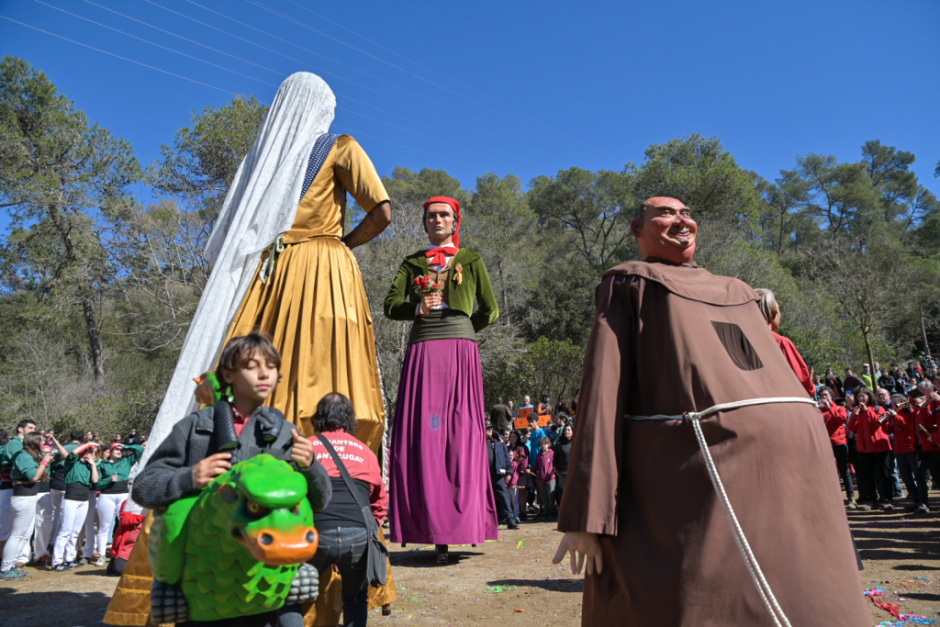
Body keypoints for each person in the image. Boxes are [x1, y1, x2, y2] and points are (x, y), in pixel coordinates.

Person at [107, 72, 397, 625]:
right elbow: (382, 211)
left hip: (269, 277)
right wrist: (340, 243)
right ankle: (322, 570)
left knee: (259, 382)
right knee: (328, 385)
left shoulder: (262, 162)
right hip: (325, 276)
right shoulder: (338, 146)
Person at [553, 196, 869, 625]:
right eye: (666, 213)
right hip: (778, 447)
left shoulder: (732, 291)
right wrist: (586, 516)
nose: (681, 220)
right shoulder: (635, 283)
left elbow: (602, 393)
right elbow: (605, 391)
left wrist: (586, 520)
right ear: (636, 229)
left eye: (686, 214)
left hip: (720, 458)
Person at [133, 333, 331, 627]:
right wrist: (189, 477)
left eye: (272, 367)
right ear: (228, 374)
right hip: (206, 585)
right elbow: (143, 488)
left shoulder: (284, 434)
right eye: (252, 366)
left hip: (264, 586)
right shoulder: (196, 428)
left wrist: (310, 466)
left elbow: (321, 500)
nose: (265, 374)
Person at [384, 195, 499, 563]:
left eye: (443, 215)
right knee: (425, 432)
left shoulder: (471, 260)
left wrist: (463, 328)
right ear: (425, 222)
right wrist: (416, 308)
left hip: (460, 349)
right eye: (431, 216)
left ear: (455, 221)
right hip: (423, 347)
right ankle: (429, 525)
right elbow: (390, 305)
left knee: (461, 432)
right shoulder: (412, 262)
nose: (437, 220)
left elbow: (490, 310)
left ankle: (463, 523)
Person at [307, 393, 388, 627]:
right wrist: (359, 535)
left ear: (319, 417)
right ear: (349, 419)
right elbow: (379, 502)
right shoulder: (365, 452)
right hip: (358, 535)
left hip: (316, 533)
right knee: (355, 598)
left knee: (292, 596)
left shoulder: (306, 448)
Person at [0, 433, 63, 579]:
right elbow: (33, 476)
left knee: (25, 535)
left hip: (28, 498)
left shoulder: (30, 456)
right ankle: (5, 568)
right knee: (17, 535)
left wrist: (45, 461)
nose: (43, 443)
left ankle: (12, 565)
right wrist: (44, 463)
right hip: (23, 499)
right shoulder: (24, 456)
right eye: (41, 441)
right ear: (34, 442)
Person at [754, 288, 814, 397]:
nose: (780, 315)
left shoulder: (739, 341)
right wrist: (812, 391)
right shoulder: (781, 343)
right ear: (771, 312)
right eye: (778, 309)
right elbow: (802, 380)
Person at [93, 442, 145, 566]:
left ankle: (121, 553)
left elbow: (140, 450)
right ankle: (102, 555)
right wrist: (109, 480)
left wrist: (126, 447)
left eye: (120, 450)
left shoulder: (126, 461)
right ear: (110, 451)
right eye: (116, 449)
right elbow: (97, 484)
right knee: (104, 526)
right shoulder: (103, 464)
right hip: (106, 496)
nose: (119, 451)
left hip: (123, 495)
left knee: (124, 525)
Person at [51, 440, 100, 571]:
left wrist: (93, 465)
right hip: (71, 498)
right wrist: (87, 444)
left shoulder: (89, 466)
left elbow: (95, 480)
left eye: (93, 452)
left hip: (84, 499)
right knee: (65, 530)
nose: (92, 454)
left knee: (75, 531)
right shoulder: (73, 462)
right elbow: (72, 454)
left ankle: (69, 558)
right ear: (84, 451)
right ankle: (57, 561)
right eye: (90, 452)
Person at [846, 387, 893, 510]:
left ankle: (887, 499)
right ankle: (873, 500)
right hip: (864, 448)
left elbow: (878, 422)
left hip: (879, 446)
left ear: (869, 396)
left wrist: (867, 411)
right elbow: (851, 427)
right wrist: (854, 415)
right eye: (859, 396)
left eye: (863, 396)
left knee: (884, 474)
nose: (861, 398)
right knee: (868, 475)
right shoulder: (857, 411)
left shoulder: (878, 408)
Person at [0, 420, 36, 560]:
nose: (33, 430)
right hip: (9, 488)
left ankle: (16, 559)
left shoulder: (25, 444)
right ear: (20, 429)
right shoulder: (15, 444)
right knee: (6, 527)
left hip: (19, 489)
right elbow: (22, 465)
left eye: (34, 428)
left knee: (20, 529)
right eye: (30, 428)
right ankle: (4, 561)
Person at [818, 387, 855, 508]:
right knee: (827, 471)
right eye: (822, 395)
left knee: (844, 470)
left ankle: (851, 497)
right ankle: (831, 498)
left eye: (826, 395)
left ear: (831, 395)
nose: (824, 397)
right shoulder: (819, 410)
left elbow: (841, 419)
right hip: (825, 443)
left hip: (839, 442)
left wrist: (829, 407)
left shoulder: (840, 408)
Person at [485, 422, 517, 530]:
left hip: (498, 474)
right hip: (483, 475)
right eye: (487, 428)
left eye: (490, 428)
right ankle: (485, 522)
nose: (489, 430)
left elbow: (506, 457)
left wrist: (509, 472)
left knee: (504, 497)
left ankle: (511, 520)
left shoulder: (499, 441)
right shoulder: (478, 441)